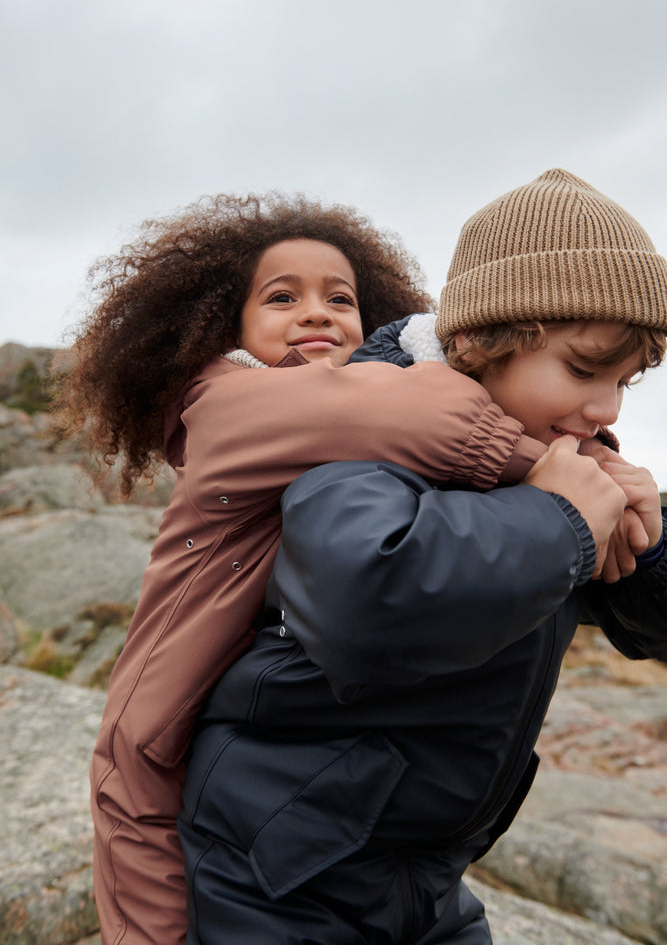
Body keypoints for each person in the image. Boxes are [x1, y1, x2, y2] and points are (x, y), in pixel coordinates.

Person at [178, 169, 667, 944]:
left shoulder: (562, 449)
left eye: (623, 381)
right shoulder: (369, 421)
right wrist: (562, 523)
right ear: (478, 341)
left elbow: (653, 631)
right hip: (280, 870)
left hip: (426, 878)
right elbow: (363, 607)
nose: (605, 408)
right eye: (582, 369)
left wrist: (647, 538)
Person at [57, 192, 546, 945]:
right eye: (282, 297)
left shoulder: (350, 410)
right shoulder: (224, 400)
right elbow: (423, 417)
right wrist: (572, 482)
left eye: (340, 298)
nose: (316, 313)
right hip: (164, 702)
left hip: (338, 813)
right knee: (143, 838)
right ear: (230, 327)